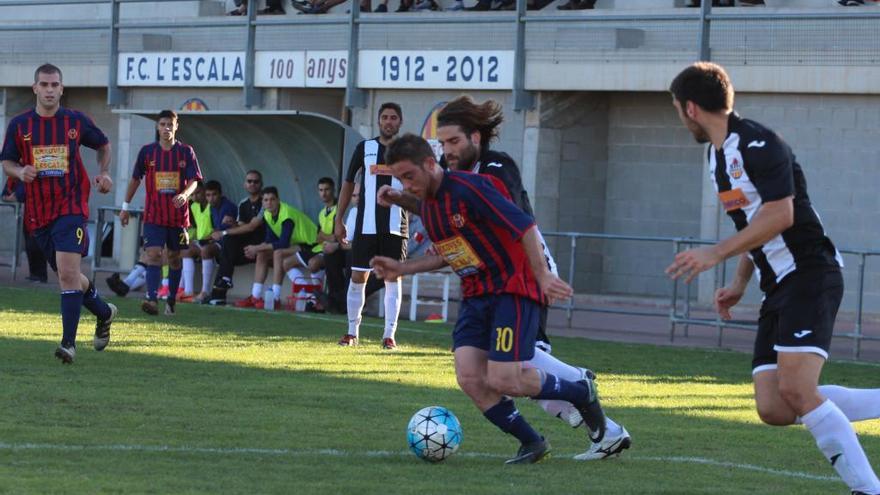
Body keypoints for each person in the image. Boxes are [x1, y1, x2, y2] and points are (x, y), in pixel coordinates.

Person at [667, 61, 880, 494]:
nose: (678, 116)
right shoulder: (716, 155)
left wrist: (716, 253)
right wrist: (741, 281)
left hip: (810, 272)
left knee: (800, 390)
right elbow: (755, 223)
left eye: (675, 108)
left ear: (690, 108)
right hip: (777, 285)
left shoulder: (758, 143)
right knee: (775, 407)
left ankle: (868, 489)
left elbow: (781, 214)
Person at [373, 134, 607, 464]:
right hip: (475, 296)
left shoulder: (472, 188)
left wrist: (543, 275)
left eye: (409, 176)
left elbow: (524, 226)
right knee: (469, 376)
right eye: (399, 178)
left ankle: (580, 390)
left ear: (430, 164)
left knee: (504, 379)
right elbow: (447, 254)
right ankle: (532, 442)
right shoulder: (430, 206)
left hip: (510, 291)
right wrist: (402, 267)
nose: (406, 184)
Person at [435, 95, 631, 459]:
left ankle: (580, 386)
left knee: (518, 366)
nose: (446, 150)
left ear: (476, 137)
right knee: (506, 371)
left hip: (523, 275)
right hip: (490, 284)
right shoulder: (453, 175)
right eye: (442, 143)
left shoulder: (496, 166)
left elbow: (512, 224)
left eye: (453, 141)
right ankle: (604, 430)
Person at [0, 63, 117, 364]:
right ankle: (104, 313)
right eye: (44, 84)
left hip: (71, 206)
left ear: (62, 89)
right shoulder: (20, 125)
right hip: (38, 213)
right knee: (69, 276)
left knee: (66, 275)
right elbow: (7, 162)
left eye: (55, 85)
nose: (50, 90)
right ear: (35, 88)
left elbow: (103, 145)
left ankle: (68, 345)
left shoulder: (75, 120)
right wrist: (20, 170)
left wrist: (103, 173)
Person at [334, 102, 408, 349]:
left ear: (400, 122)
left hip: (396, 226)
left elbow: (421, 185)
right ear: (379, 121)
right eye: (385, 117)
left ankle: (389, 336)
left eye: (393, 118)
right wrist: (339, 218)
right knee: (358, 277)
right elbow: (347, 183)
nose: (389, 121)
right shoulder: (365, 148)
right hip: (366, 225)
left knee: (392, 279)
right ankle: (352, 332)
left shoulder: (409, 151)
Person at [119, 109, 203, 316]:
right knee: (154, 255)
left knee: (174, 258)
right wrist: (125, 207)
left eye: (170, 124)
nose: (166, 128)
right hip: (154, 216)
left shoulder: (186, 152)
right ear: (157, 127)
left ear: (176, 126)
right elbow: (136, 179)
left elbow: (195, 181)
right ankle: (152, 298)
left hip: (177, 217)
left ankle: (172, 299)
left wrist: (185, 195)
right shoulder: (148, 152)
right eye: (163, 124)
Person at [230, 187, 316, 309]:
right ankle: (255, 295)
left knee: (278, 253)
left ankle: (275, 297)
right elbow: (270, 240)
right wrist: (257, 249)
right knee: (262, 253)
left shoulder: (286, 214)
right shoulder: (267, 214)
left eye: (272, 199)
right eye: (266, 200)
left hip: (311, 245)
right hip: (296, 245)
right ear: (262, 203)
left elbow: (283, 243)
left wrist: (257, 247)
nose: (269, 202)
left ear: (278, 200)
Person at [208, 170, 265, 304]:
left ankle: (218, 294)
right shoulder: (243, 203)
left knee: (227, 247)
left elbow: (252, 227)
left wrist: (224, 232)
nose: (252, 184)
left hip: (261, 245)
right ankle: (219, 292)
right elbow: (241, 227)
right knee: (227, 250)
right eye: (249, 181)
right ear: (245, 184)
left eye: (256, 181)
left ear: (261, 184)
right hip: (246, 246)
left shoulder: (265, 201)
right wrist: (232, 223)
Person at [281, 177, 338, 311]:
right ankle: (311, 295)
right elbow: (319, 238)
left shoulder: (339, 210)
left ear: (333, 190)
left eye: (327, 189)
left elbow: (337, 237)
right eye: (321, 190)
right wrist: (325, 237)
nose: (323, 193)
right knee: (286, 263)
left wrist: (325, 237)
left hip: (331, 250)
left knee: (313, 263)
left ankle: (316, 299)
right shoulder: (322, 213)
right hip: (318, 248)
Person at [2, 176, 48, 283]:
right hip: (25, 216)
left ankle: (41, 275)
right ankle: (34, 274)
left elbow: (21, 195)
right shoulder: (11, 180)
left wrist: (13, 197)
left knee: (35, 245)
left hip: (37, 215)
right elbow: (4, 195)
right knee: (29, 245)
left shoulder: (26, 177)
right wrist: (9, 198)